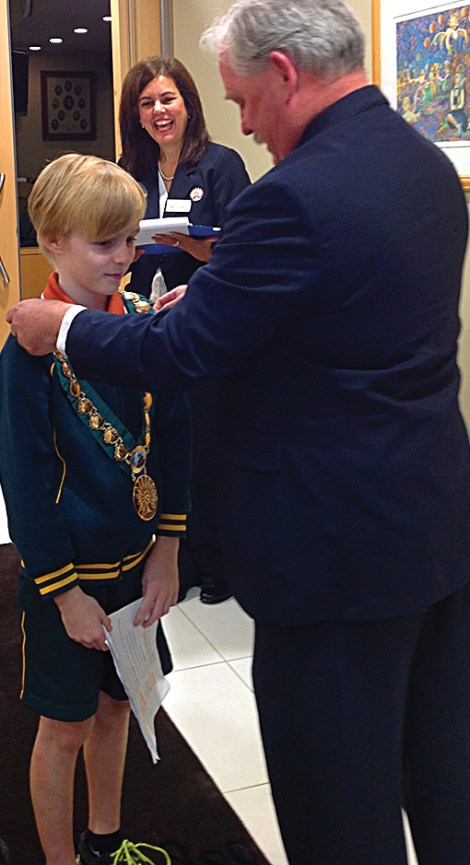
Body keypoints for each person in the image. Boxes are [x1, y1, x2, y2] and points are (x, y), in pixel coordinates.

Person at [6, 1, 470, 862]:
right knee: (441, 776)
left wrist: (60, 326)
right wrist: (220, 304)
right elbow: (338, 328)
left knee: (340, 802)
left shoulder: (295, 194)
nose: (246, 123)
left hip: (329, 554)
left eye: (243, 98)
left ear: (285, 73)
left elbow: (181, 351)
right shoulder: (422, 167)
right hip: (432, 530)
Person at [0, 153, 190, 865]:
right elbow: (23, 485)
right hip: (68, 583)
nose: (125, 257)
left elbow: (176, 443)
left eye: (132, 240)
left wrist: (168, 551)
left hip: (137, 570)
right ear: (50, 239)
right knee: (64, 727)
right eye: (103, 242)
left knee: (119, 706)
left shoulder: (144, 327)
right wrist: (66, 592)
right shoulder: (27, 357)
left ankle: (104, 840)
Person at [119, 55, 251, 605]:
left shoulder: (221, 165)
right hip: (148, 320)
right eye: (147, 103)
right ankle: (184, 560)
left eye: (167, 99)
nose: (158, 111)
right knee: (165, 442)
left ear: (189, 104)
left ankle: (221, 565)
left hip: (205, 319)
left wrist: (193, 246)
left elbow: (247, 253)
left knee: (208, 443)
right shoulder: (130, 169)